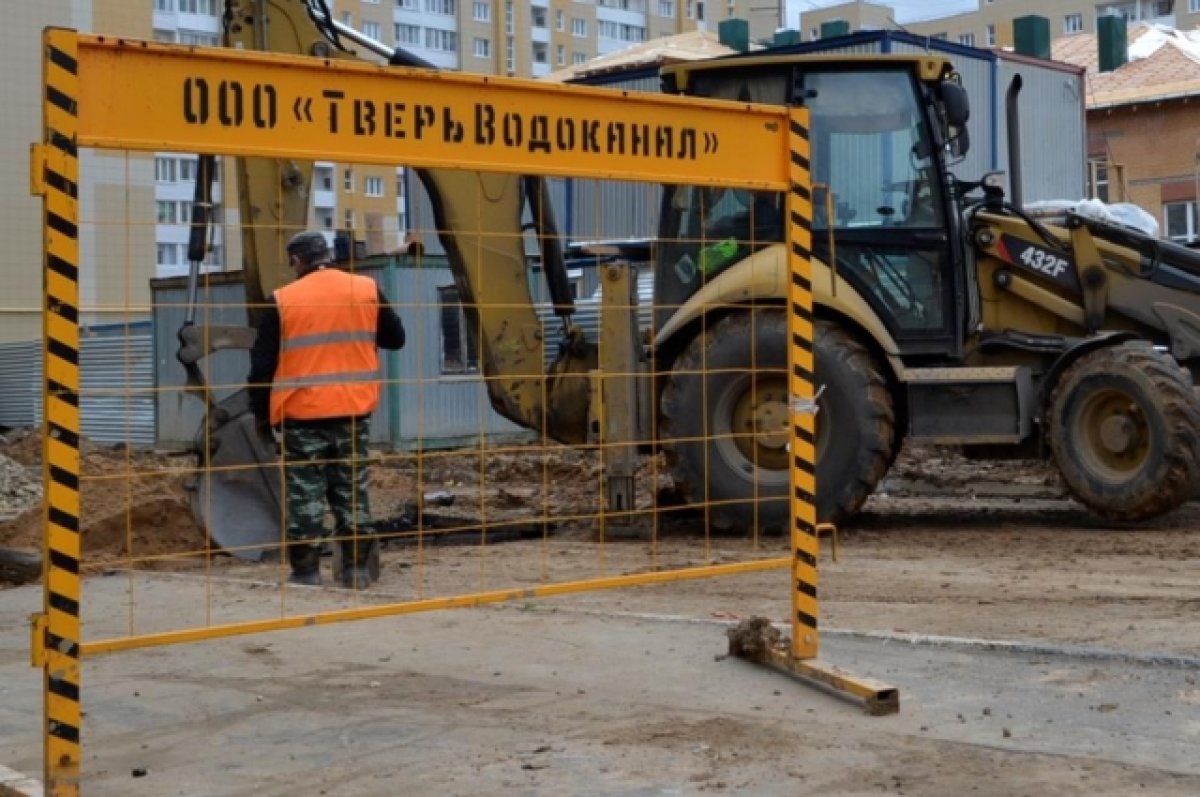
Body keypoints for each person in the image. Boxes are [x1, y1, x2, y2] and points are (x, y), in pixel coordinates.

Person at [247, 231, 405, 588]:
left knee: (305, 494)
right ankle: (356, 570)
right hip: (352, 411)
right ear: (327, 255)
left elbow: (261, 368)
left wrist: (260, 415)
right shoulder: (365, 289)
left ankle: (306, 572)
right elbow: (396, 338)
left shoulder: (282, 300)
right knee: (351, 490)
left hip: (302, 414)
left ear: (296, 261)